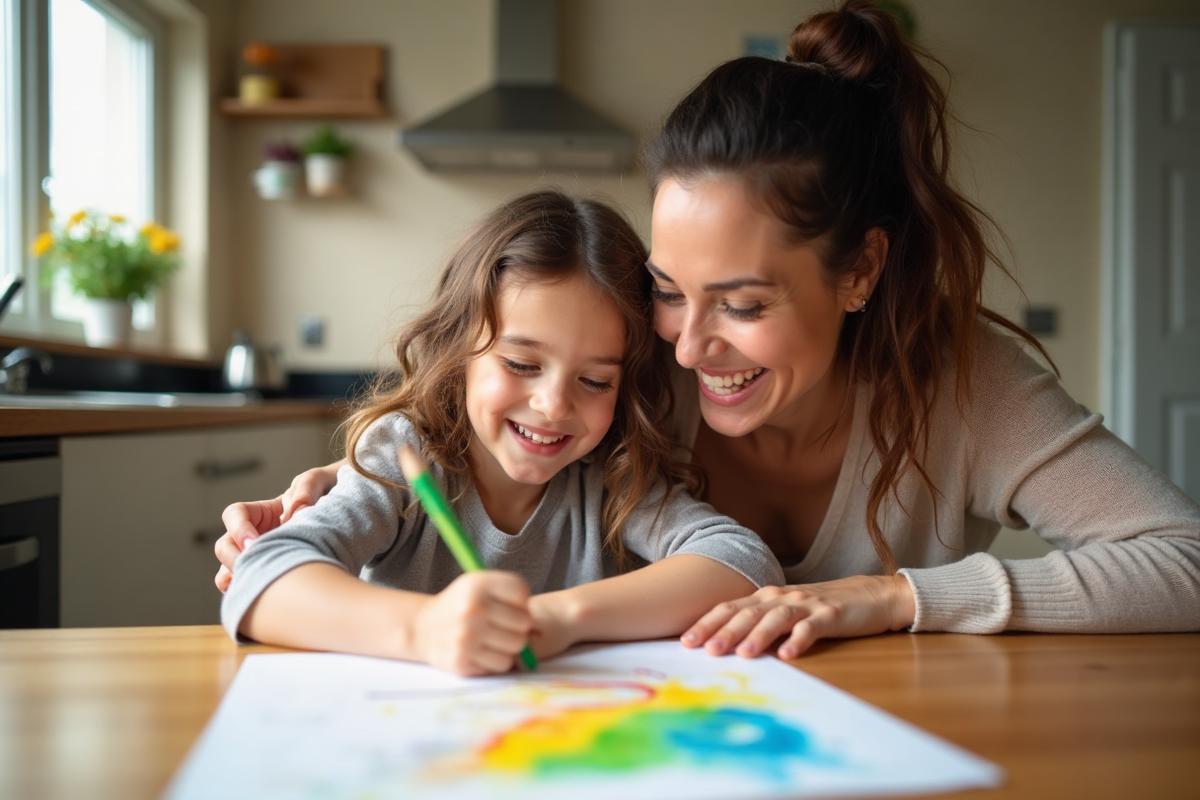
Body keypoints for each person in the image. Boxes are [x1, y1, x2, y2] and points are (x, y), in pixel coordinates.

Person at [215, 2, 1200, 661]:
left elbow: (1183, 561)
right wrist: (342, 491)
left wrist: (902, 595)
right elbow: (459, 461)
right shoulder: (621, 375)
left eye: (742, 303)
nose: (683, 349)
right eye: (669, 290)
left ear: (859, 269)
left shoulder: (966, 384)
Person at [220, 190, 783, 676]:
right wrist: (424, 631)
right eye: (520, 364)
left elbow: (744, 563)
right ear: (460, 349)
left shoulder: (609, 477)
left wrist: (557, 619)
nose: (554, 404)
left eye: (594, 380)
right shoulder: (404, 456)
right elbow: (261, 576)